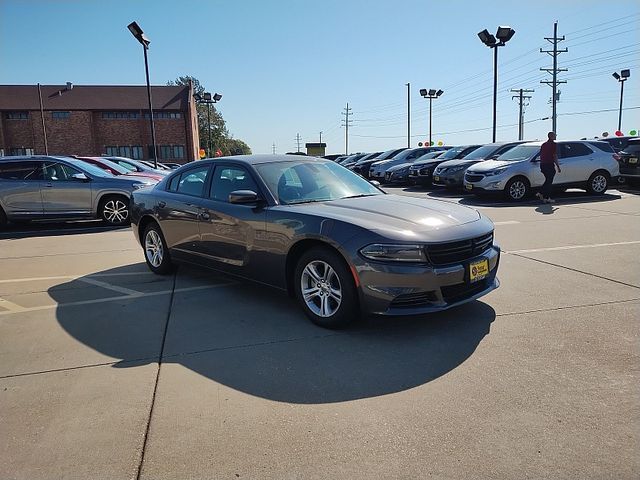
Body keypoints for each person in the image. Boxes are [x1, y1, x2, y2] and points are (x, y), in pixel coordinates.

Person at [536, 131, 561, 203]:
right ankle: (544, 195)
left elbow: (541, 154)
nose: (556, 136)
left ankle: (544, 197)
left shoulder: (544, 144)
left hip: (543, 164)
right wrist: (558, 166)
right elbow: (554, 155)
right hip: (549, 164)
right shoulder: (553, 144)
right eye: (554, 135)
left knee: (548, 180)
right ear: (551, 136)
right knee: (549, 181)